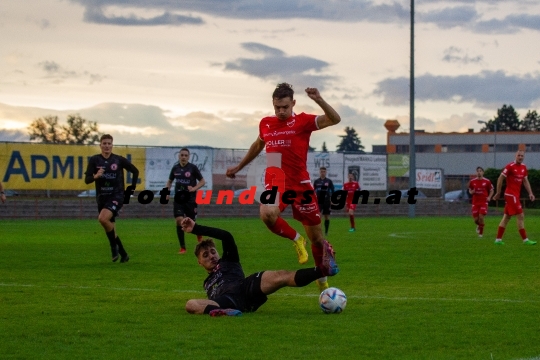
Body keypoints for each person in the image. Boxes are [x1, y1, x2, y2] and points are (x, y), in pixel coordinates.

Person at [226, 83, 341, 291]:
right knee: (267, 213)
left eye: (285, 107)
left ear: (293, 104)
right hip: (276, 181)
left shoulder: (303, 121)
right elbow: (257, 146)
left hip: (301, 185)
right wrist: (239, 166)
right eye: (277, 107)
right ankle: (297, 240)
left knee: (316, 239)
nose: (280, 111)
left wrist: (319, 100)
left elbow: (335, 119)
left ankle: (322, 281)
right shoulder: (266, 123)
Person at [181, 217, 337, 316]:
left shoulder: (229, 260)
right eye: (205, 255)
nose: (211, 256)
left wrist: (196, 229)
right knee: (191, 304)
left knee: (280, 275)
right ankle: (224, 312)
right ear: (199, 262)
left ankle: (323, 269)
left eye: (213, 252)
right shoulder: (207, 283)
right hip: (226, 301)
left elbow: (226, 236)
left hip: (246, 288)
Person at [85, 134, 139, 262]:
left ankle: (113, 247)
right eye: (104, 143)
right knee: (110, 227)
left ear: (112, 145)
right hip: (102, 197)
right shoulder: (94, 160)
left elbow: (135, 171)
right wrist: (96, 176)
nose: (107, 146)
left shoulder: (118, 160)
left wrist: (132, 187)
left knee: (103, 219)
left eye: (109, 143)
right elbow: (87, 180)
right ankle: (124, 254)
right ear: (100, 145)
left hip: (117, 195)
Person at [165, 148, 206, 254]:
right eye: (182, 155)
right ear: (179, 156)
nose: (183, 157)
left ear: (188, 157)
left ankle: (198, 232)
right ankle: (183, 247)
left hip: (190, 200)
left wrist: (194, 188)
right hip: (179, 199)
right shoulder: (175, 168)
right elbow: (169, 181)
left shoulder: (193, 168)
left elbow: (202, 181)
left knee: (191, 222)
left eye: (185, 155)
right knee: (179, 220)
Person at [492, 150, 536, 245]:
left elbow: (525, 181)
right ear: (515, 156)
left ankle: (498, 240)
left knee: (506, 217)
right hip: (510, 194)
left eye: (522, 156)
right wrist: (498, 192)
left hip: (515, 195)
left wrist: (530, 193)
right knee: (520, 215)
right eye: (518, 155)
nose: (520, 157)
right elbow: (500, 178)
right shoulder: (510, 166)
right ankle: (525, 240)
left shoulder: (524, 167)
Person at [468, 166, 494, 238]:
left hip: (483, 202)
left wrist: (489, 197)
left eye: (480, 171)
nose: (479, 172)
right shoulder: (472, 182)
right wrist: (471, 192)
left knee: (481, 217)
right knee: (476, 220)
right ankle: (479, 225)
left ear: (483, 172)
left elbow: (492, 190)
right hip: (475, 202)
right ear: (476, 172)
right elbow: (470, 190)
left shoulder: (487, 181)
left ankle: (481, 234)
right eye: (477, 171)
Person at [313, 167, 335, 237]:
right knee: (318, 216)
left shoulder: (329, 181)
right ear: (319, 172)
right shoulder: (316, 181)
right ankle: (319, 231)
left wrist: (332, 200)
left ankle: (326, 232)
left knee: (326, 216)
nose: (323, 173)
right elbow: (313, 192)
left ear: (326, 172)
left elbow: (333, 191)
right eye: (321, 171)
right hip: (319, 200)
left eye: (324, 171)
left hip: (327, 200)